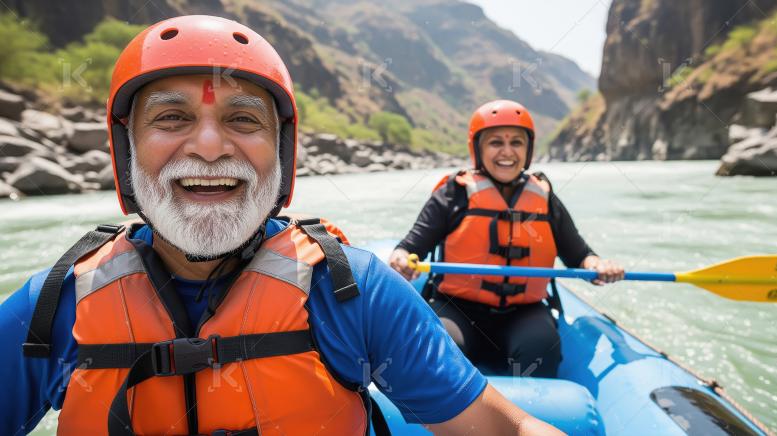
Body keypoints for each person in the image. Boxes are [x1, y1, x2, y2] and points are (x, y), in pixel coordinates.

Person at [0, 17, 563, 435]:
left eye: (242, 119)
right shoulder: (56, 304)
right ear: (126, 151)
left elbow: (507, 429)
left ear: (282, 152)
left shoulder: (352, 293)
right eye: (171, 118)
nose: (210, 146)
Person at [389, 100, 624, 378]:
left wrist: (598, 266)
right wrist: (401, 258)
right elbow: (410, 247)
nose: (507, 152)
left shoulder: (544, 198)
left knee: (540, 348)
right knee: (443, 351)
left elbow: (580, 255)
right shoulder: (454, 194)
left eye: (516, 142)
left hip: (524, 312)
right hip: (459, 310)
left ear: (528, 150)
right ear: (477, 148)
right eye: (495, 142)